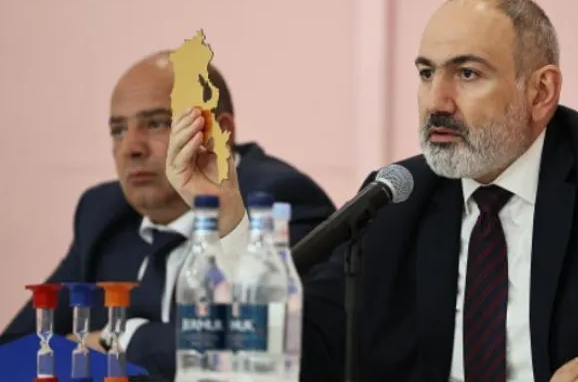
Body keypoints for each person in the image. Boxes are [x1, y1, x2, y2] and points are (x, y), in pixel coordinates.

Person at [165, 0, 578, 382]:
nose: (437, 101)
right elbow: (300, 352)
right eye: (426, 73)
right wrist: (223, 210)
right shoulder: (397, 199)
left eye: (467, 73)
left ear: (540, 91)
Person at [0, 51, 335, 380]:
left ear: (220, 133)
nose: (131, 148)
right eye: (118, 130)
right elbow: (14, 353)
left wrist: (121, 339)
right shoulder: (103, 212)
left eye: (157, 123)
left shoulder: (278, 201)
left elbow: (285, 347)